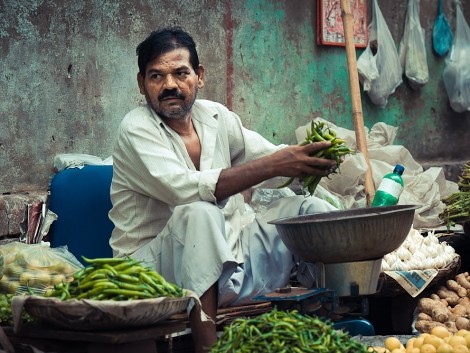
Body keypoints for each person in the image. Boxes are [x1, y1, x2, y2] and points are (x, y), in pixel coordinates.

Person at [109, 26, 338, 353]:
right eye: (156, 76)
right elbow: (183, 192)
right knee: (199, 212)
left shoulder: (216, 116)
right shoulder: (135, 129)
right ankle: (208, 348)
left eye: (180, 73)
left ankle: (330, 326)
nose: (169, 85)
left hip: (227, 263)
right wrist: (274, 165)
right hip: (156, 272)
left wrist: (307, 160)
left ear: (199, 76)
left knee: (307, 211)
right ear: (141, 84)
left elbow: (269, 158)